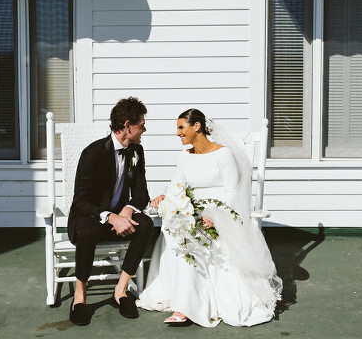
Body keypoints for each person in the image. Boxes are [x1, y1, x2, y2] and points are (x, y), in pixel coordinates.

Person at [137, 108, 282, 327]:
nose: (178, 133)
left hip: (222, 214)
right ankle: (185, 302)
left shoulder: (223, 155)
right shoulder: (184, 156)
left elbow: (232, 194)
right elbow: (178, 185)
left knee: (196, 237)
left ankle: (184, 308)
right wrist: (165, 196)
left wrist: (214, 216)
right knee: (176, 230)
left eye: (181, 127)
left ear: (197, 127)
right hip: (192, 211)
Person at [67, 97, 154, 326]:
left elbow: (142, 194)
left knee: (145, 224)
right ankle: (80, 296)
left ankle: (120, 290)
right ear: (127, 125)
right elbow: (80, 202)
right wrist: (111, 217)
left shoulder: (137, 151)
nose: (144, 129)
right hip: (91, 218)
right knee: (85, 230)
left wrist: (126, 210)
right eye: (142, 124)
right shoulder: (93, 153)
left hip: (118, 216)